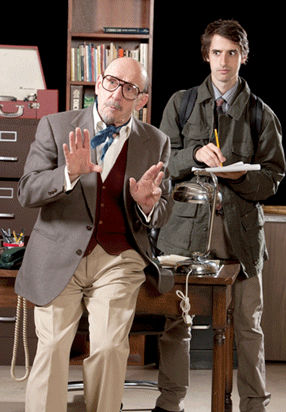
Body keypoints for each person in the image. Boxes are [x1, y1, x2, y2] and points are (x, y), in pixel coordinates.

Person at [15, 57, 174, 412]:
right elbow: (27, 191)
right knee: (54, 344)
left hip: (119, 259)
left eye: (129, 88)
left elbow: (164, 210)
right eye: (111, 82)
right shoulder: (55, 127)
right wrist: (67, 175)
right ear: (98, 83)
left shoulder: (156, 142)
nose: (117, 94)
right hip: (59, 254)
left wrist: (148, 205)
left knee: (108, 348)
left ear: (142, 100)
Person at [153, 20, 286, 412]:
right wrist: (192, 155)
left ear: (243, 57)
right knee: (178, 324)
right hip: (184, 236)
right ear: (206, 56)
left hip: (240, 239)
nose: (224, 62)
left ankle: (254, 405)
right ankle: (170, 402)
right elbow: (161, 164)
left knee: (248, 327)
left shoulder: (262, 115)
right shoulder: (182, 103)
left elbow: (274, 179)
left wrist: (244, 177)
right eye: (217, 52)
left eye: (232, 53)